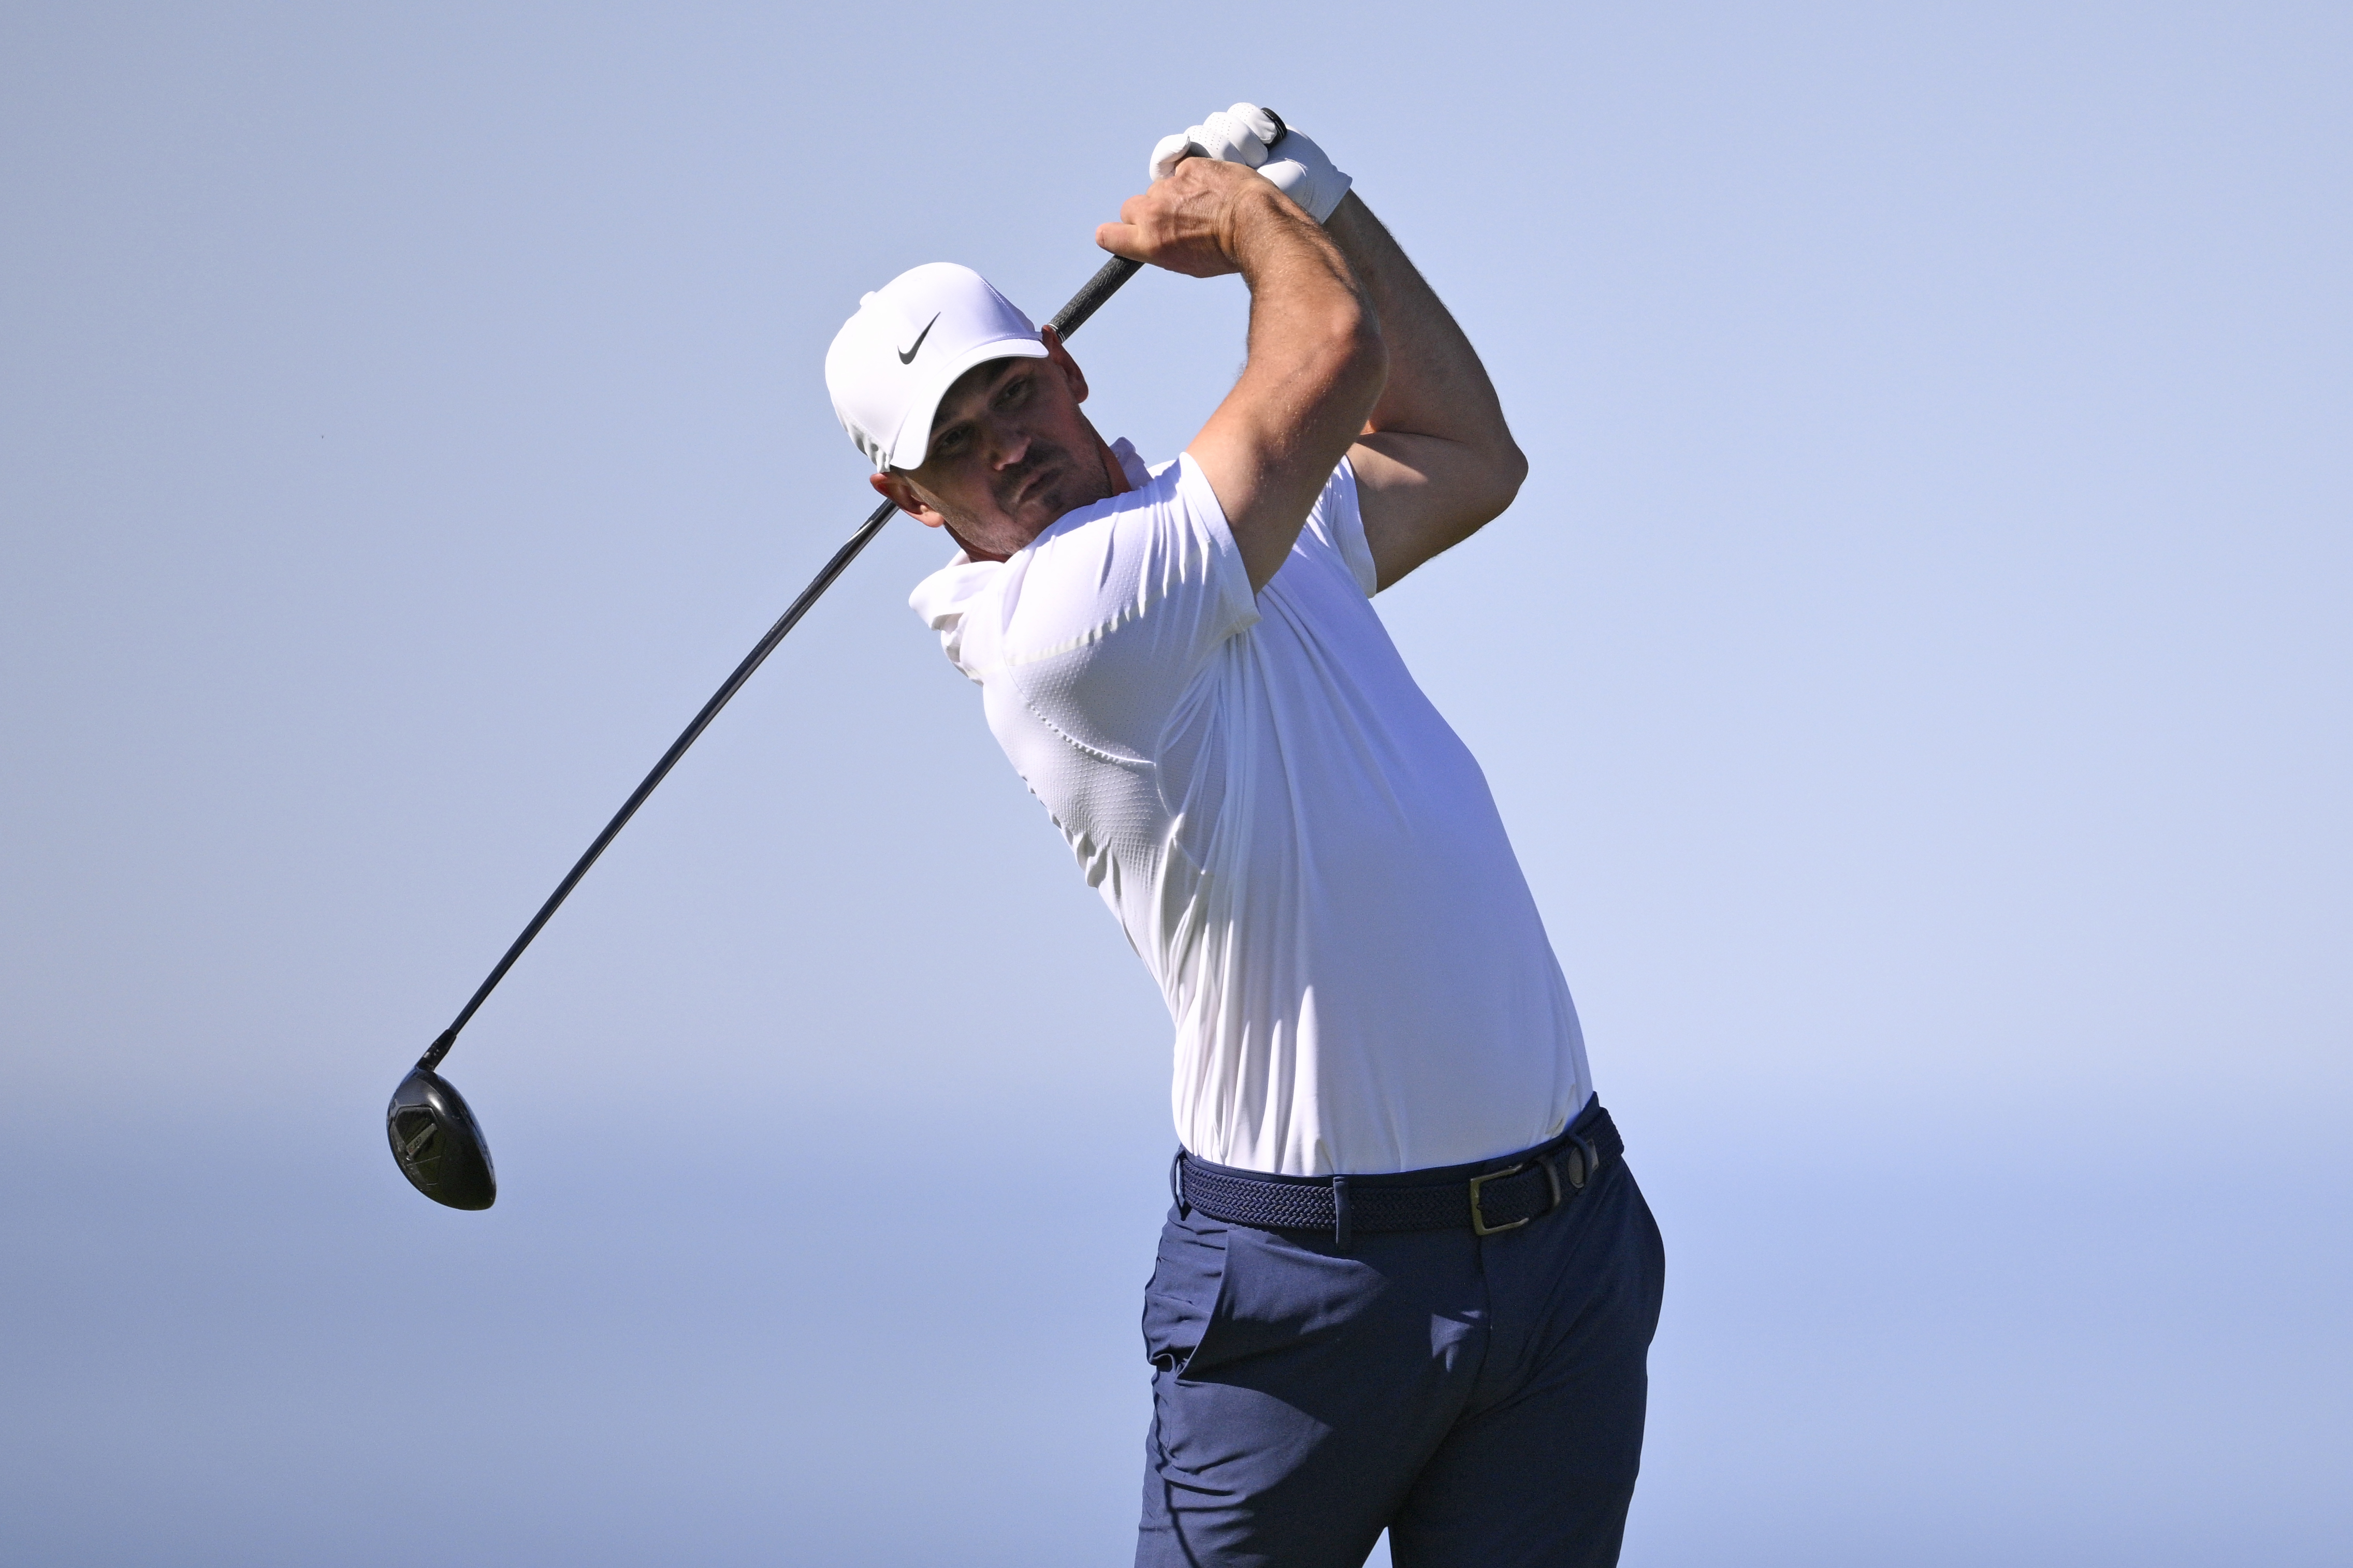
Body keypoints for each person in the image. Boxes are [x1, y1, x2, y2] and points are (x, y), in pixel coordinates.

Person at [823, 104, 1665, 1568]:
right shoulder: (1066, 628)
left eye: (1008, 396)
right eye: (954, 449)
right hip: (1310, 1296)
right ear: (910, 505)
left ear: (1066, 370)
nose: (1003, 449)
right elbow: (1325, 353)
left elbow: (1466, 448)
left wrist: (1320, 200)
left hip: (1563, 1248)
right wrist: (1250, 224)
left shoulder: (1222, 535)